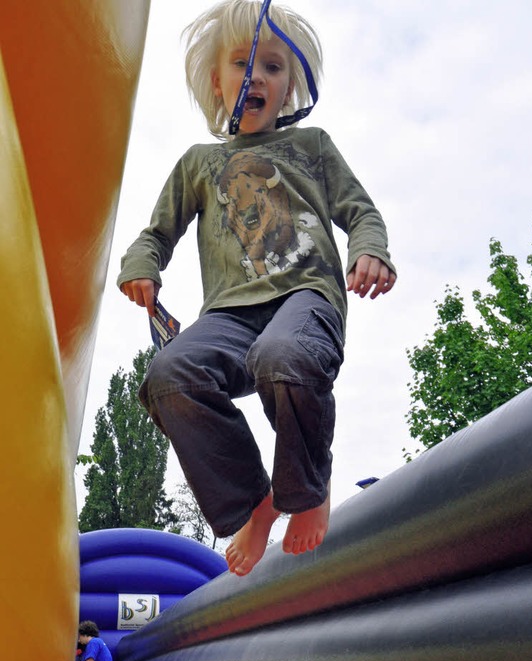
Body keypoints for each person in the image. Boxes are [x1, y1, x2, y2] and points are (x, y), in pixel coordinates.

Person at [117, 0, 397, 576]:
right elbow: (156, 233)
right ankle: (257, 503)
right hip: (229, 314)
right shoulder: (198, 163)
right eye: (242, 64)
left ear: (288, 86)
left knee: (283, 356)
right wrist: (141, 266)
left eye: (272, 67)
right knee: (170, 375)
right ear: (217, 83)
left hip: (304, 297)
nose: (256, 77)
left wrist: (369, 250)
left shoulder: (312, 147)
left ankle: (307, 487)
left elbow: (361, 212)